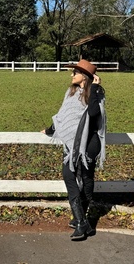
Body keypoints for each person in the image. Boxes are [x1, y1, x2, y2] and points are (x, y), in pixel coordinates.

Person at [41, 59, 106, 241]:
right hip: (72, 146)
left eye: (75, 73)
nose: (71, 75)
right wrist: (49, 130)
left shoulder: (96, 93)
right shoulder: (69, 94)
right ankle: (81, 221)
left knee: (86, 180)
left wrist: (94, 88)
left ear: (84, 77)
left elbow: (93, 113)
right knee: (69, 176)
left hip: (89, 144)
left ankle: (80, 221)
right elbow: (63, 117)